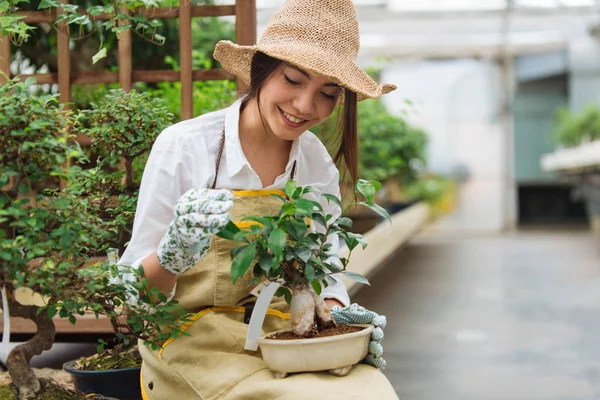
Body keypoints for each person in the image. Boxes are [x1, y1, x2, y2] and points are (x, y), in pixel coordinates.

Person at [119, 0, 399, 398]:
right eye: (293, 79)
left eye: (328, 93)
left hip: (282, 336)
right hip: (191, 343)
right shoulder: (185, 147)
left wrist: (339, 312)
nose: (304, 106)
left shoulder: (315, 161)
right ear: (261, 69)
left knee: (374, 391)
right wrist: (171, 256)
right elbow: (132, 297)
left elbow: (326, 268)